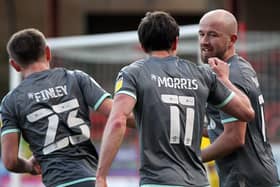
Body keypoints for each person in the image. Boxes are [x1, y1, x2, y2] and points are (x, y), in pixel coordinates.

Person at [95, 11, 254, 187]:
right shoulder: (202, 75)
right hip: (199, 182)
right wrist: (225, 80)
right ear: (176, 42)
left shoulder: (133, 73)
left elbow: (118, 121)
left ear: (142, 45)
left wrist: (101, 176)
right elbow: (247, 112)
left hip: (159, 181)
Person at [0, 28, 113, 187]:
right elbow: (118, 114)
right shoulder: (76, 78)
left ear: (14, 65)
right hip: (92, 179)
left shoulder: (11, 101)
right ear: (47, 52)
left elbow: (10, 161)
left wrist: (29, 166)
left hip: (57, 181)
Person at [199, 9, 280, 187]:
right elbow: (220, 127)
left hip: (246, 178)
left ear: (232, 40)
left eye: (212, 35)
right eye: (201, 34)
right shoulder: (237, 67)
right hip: (252, 175)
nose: (204, 41)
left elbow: (234, 137)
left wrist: (191, 159)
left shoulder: (230, 75)